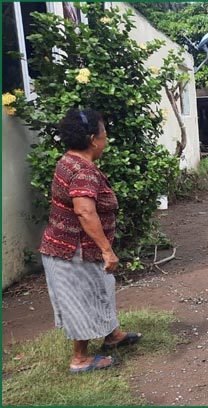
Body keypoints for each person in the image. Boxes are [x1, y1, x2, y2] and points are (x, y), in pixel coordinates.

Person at [39, 108, 142, 373]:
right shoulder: (83, 171)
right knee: (82, 298)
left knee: (102, 287)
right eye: (104, 133)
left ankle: (112, 335)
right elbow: (85, 211)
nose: (106, 139)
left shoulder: (69, 161)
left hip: (72, 247)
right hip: (72, 251)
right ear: (93, 139)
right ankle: (80, 359)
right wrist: (107, 250)